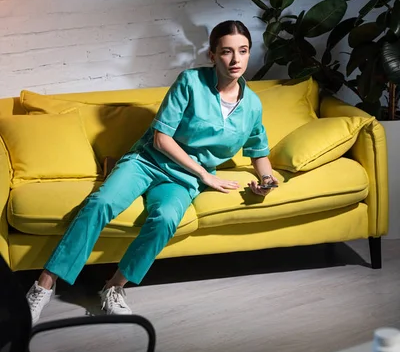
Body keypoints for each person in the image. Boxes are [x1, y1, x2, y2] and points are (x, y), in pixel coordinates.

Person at [26, 20, 279, 325]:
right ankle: (44, 285)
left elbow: (259, 152)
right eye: (226, 52)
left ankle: (114, 287)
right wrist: (205, 174)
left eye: (243, 51)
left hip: (182, 180)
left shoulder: (252, 105)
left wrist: (267, 181)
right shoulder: (190, 82)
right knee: (101, 203)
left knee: (167, 219)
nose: (236, 60)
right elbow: (161, 138)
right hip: (147, 160)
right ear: (212, 55)